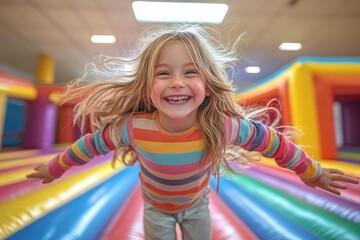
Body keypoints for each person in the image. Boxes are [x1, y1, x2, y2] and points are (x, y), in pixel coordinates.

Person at [27, 24, 359, 240]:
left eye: (190, 72)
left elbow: (273, 143)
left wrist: (311, 171)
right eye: (163, 73)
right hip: (155, 207)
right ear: (146, 88)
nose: (177, 82)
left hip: (196, 204)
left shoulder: (221, 126)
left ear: (207, 86)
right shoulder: (133, 128)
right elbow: (89, 146)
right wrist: (54, 168)